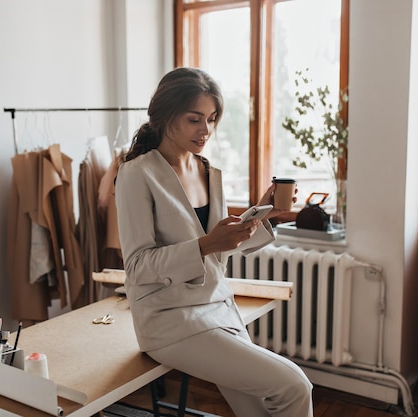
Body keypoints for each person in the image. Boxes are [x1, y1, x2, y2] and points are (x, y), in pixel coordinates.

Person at [115, 67, 313, 417]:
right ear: (165, 115)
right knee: (295, 385)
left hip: (218, 307)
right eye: (194, 119)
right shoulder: (137, 174)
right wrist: (206, 244)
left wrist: (263, 213)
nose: (206, 130)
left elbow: (220, 251)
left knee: (256, 411)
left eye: (211, 118)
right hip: (169, 320)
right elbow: (138, 267)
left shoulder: (209, 171)